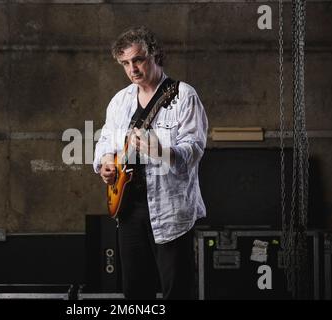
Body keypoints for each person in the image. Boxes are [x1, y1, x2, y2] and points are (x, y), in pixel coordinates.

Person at [93, 26, 208, 300]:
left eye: (138, 60)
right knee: (135, 291)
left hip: (171, 210)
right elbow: (105, 142)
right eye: (125, 63)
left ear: (155, 55)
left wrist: (162, 150)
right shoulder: (119, 101)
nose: (132, 69)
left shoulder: (183, 96)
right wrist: (106, 163)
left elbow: (194, 149)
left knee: (176, 290)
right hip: (129, 208)